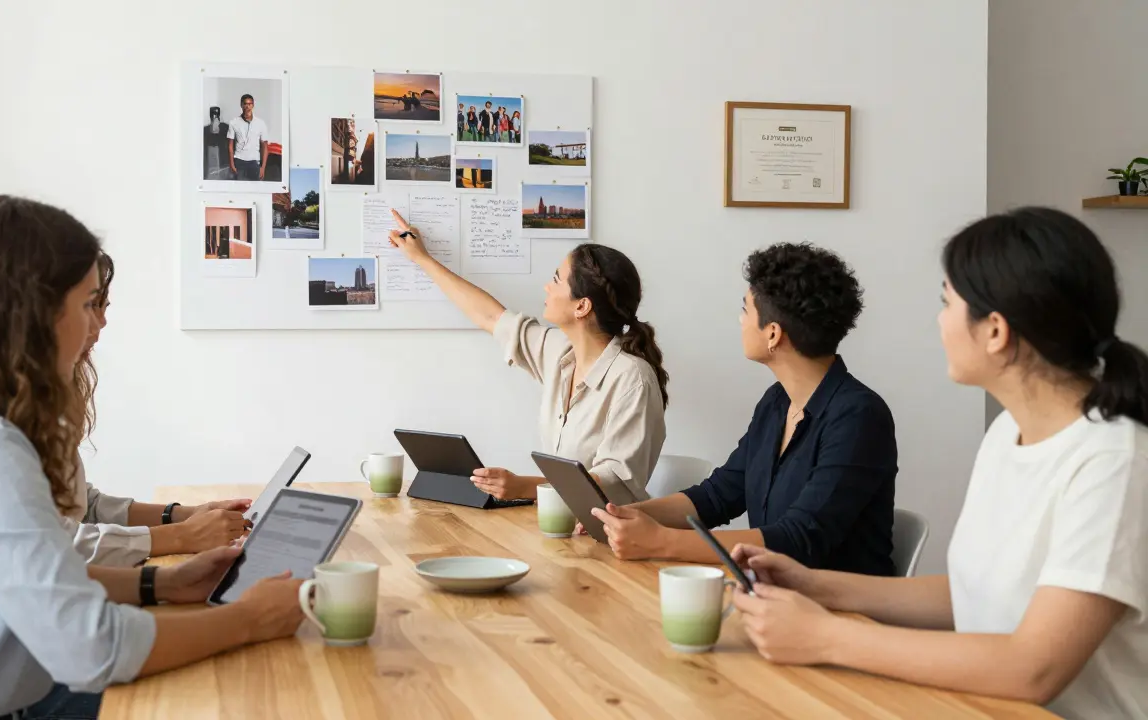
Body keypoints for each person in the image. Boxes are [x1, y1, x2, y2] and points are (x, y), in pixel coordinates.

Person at [0, 196, 305, 720]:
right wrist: (251, 619)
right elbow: (90, 648)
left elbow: (35, 577)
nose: (95, 324)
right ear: (33, 313)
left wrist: (162, 582)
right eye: (87, 303)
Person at [729, 208, 1148, 719]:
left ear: (995, 331)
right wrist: (812, 585)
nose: (939, 320)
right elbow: (973, 595)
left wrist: (825, 636)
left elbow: (1034, 668)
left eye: (947, 302)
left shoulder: (1115, 463)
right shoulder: (1007, 434)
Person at [591, 243, 897, 576]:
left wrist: (660, 541)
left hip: (841, 615)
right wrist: (623, 514)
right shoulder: (776, 403)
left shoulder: (859, 417)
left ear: (773, 333)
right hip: (771, 598)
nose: (740, 320)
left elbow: (799, 541)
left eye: (745, 310)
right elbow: (717, 496)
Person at [387, 210, 668, 501]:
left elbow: (616, 480)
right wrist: (421, 259)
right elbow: (491, 317)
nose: (547, 286)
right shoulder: (559, 352)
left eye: (557, 279)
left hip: (614, 535)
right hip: (560, 523)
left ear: (582, 306)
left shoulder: (633, 379)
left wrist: (526, 487)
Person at [65, 251, 252, 566]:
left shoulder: (45, 402)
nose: (103, 322)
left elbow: (84, 505)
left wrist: (183, 516)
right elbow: (52, 546)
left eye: (104, 306)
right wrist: (183, 536)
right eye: (91, 305)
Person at [227, 93, 269, 181]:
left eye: (249, 104)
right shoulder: (233, 123)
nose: (247, 106)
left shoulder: (261, 123)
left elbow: (265, 146)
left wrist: (263, 167)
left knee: (255, 191)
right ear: (241, 105)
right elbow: (230, 145)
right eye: (245, 104)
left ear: (253, 105)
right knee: (240, 190)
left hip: (254, 162)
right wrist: (232, 164)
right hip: (239, 161)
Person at [202, 106, 231, 180]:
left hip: (222, 166)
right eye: (213, 115)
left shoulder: (225, 128)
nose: (215, 117)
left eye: (217, 115)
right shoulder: (205, 131)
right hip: (210, 166)